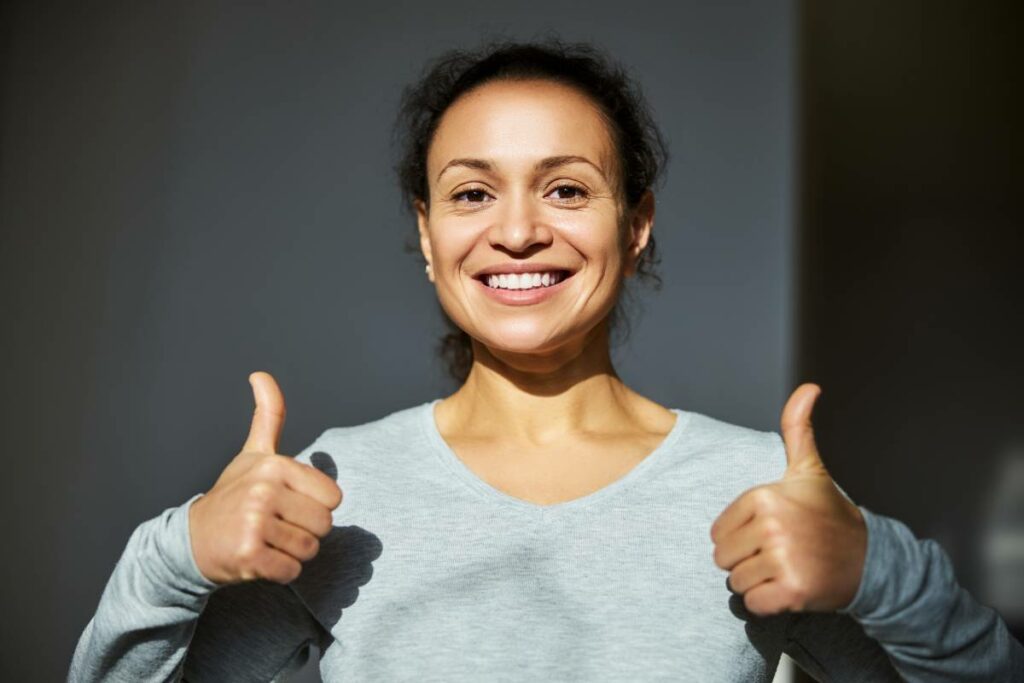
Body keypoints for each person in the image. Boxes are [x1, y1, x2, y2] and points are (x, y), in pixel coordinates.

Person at [68, 38, 1023, 682]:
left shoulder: (755, 492)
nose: (517, 231)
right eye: (471, 194)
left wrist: (876, 569)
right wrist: (179, 552)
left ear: (636, 223)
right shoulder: (329, 487)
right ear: (429, 234)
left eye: (566, 188)